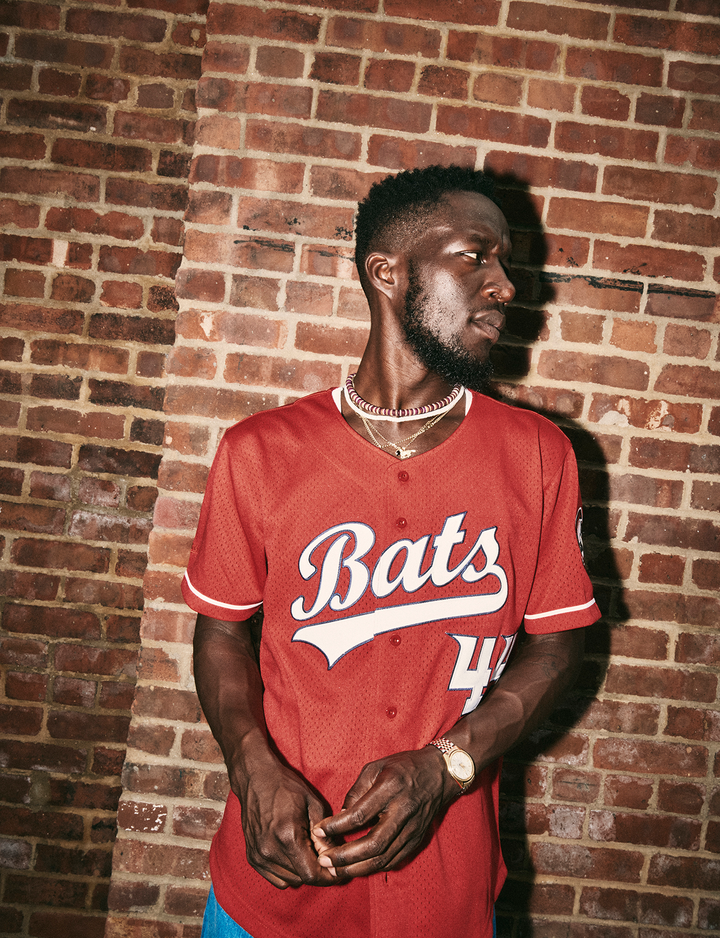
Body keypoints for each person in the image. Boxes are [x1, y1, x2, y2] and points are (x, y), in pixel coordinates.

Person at [182, 165, 600, 938]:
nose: (505, 285)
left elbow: (560, 646)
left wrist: (449, 765)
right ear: (387, 272)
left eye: (505, 262)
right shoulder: (260, 452)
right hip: (273, 889)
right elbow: (219, 632)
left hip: (444, 887)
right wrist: (253, 765)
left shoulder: (539, 455)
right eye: (476, 256)